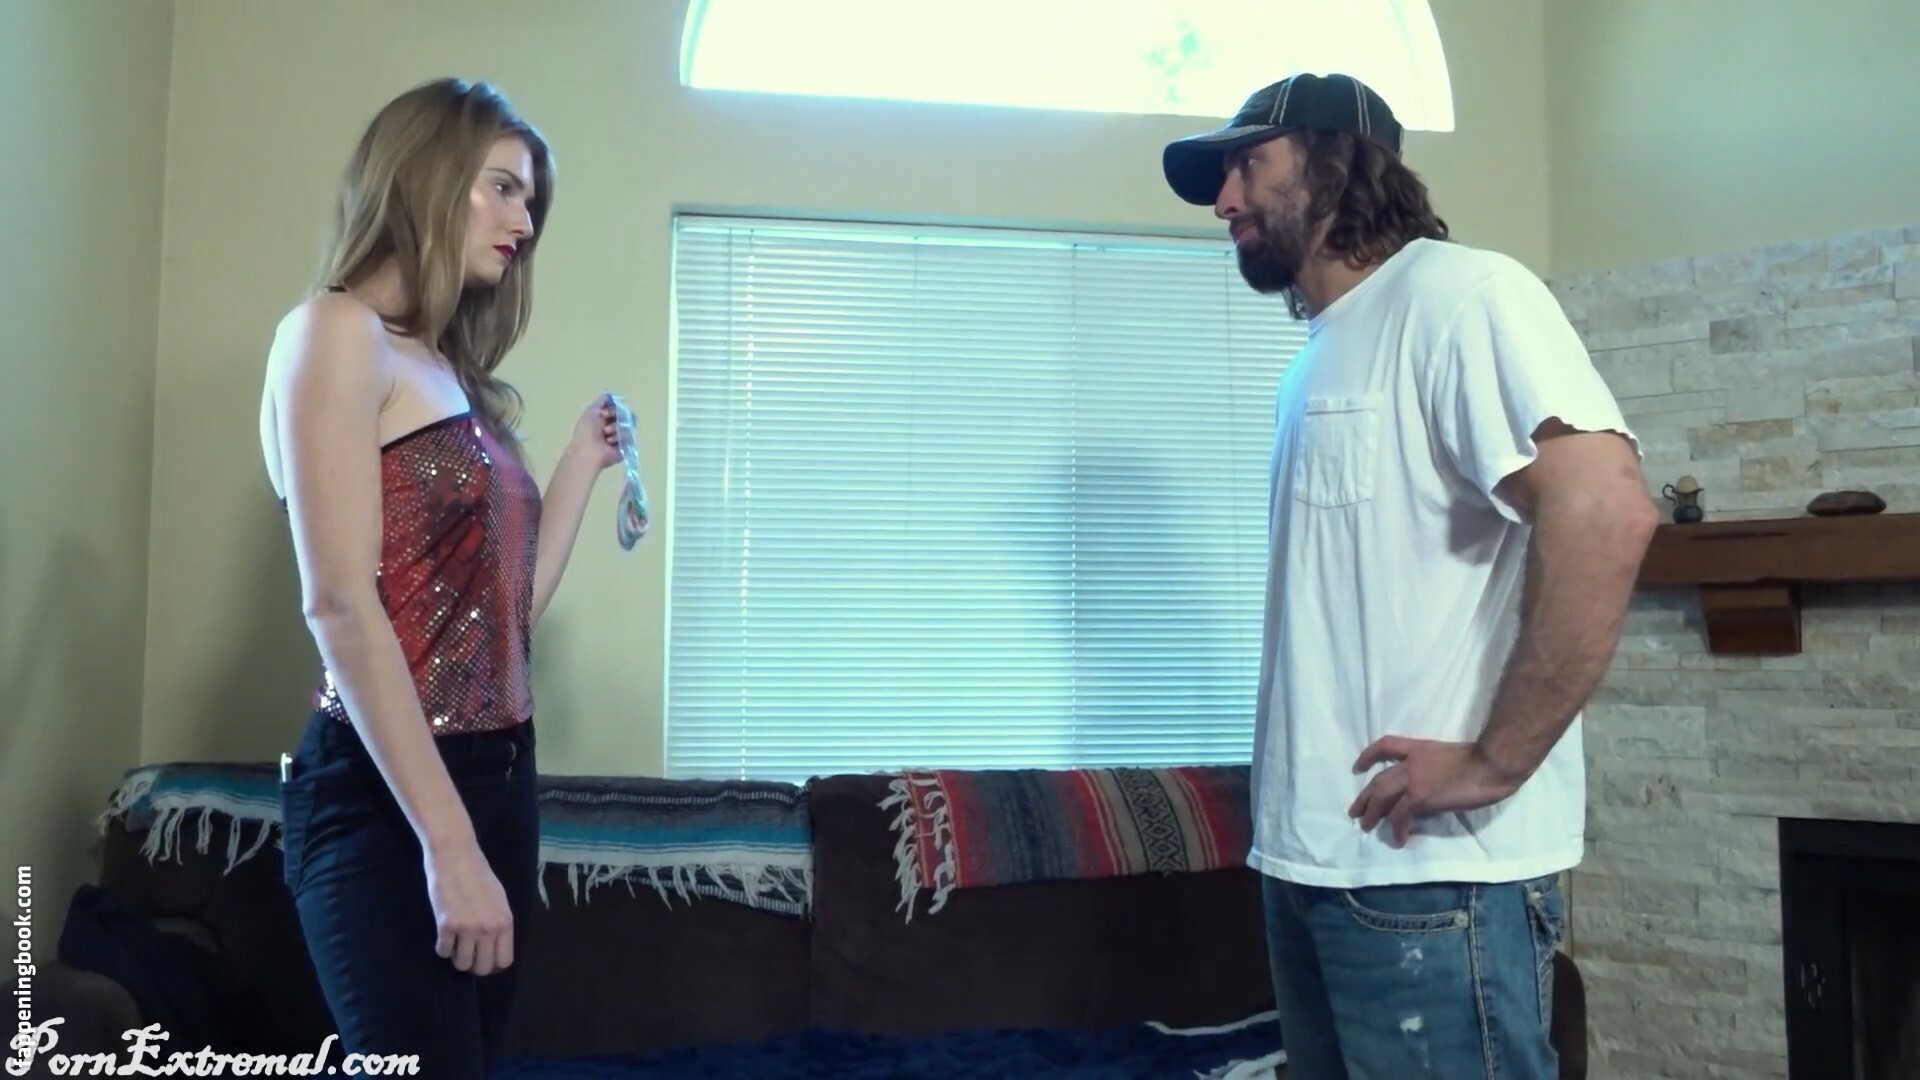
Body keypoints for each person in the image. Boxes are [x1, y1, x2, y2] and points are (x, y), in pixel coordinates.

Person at [1162, 73, 1656, 1077]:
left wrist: (1493, 763)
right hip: (1312, 867)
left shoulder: (1462, 295)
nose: (1224, 201)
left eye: (1248, 164)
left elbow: (1604, 509)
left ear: (1337, 162)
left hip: (1433, 880)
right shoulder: (1318, 353)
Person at [257, 77, 620, 1076]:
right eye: (502, 187)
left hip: (502, 778)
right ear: (425, 177)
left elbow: (503, 622)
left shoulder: (446, 370)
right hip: (384, 795)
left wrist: (579, 465)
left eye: (530, 199)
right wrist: (448, 845)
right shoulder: (333, 332)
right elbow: (339, 602)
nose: (525, 222)